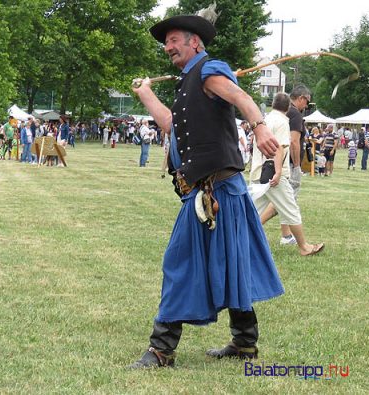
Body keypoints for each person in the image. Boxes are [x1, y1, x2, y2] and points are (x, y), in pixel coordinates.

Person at [128, 10, 283, 370]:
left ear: (194, 41)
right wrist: (146, 94)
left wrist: (260, 127)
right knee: (232, 264)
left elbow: (241, 98)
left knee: (179, 262)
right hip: (212, 193)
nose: (167, 46)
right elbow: (169, 123)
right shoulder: (188, 84)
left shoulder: (211, 72)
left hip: (218, 192)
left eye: (173, 39)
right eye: (165, 42)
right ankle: (245, 344)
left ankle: (161, 349)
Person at [251, 93, 324, 256]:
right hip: (274, 174)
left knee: (252, 210)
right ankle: (304, 247)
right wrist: (278, 172)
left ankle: (234, 241)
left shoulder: (265, 120)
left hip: (258, 171)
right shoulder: (283, 122)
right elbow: (280, 148)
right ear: (287, 107)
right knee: (291, 209)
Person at [274, 85, 311, 246]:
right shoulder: (295, 114)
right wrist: (297, 166)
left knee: (284, 201)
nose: (307, 105)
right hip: (288, 164)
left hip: (278, 162)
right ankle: (253, 228)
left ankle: (286, 235)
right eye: (307, 101)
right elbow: (294, 141)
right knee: (284, 202)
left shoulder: (283, 113)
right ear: (301, 98)